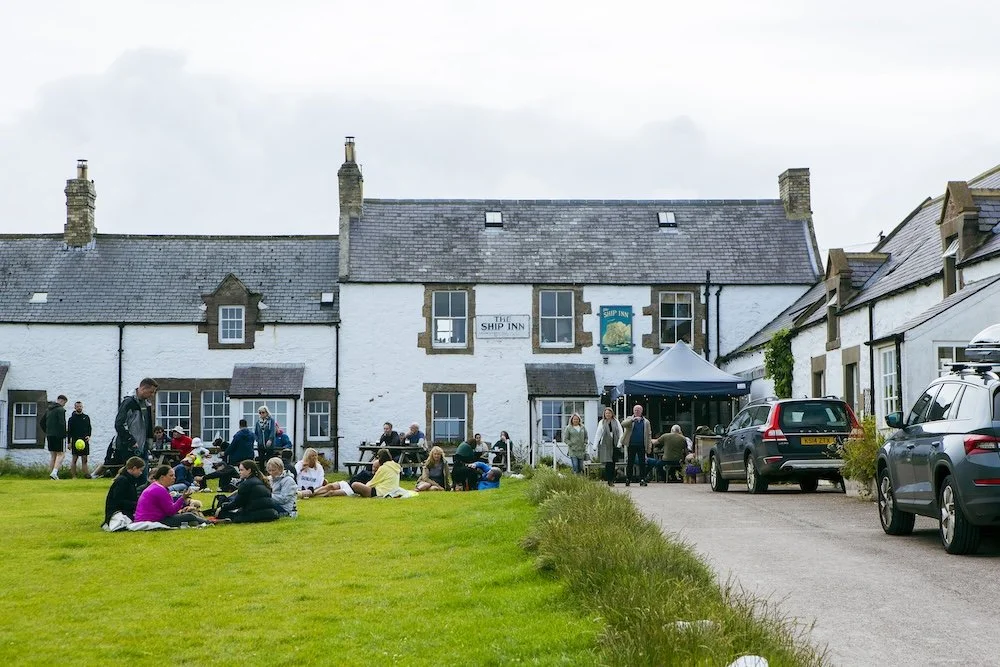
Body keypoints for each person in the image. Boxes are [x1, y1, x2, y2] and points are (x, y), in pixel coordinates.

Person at [134, 465, 208, 527]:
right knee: (189, 516)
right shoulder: (159, 490)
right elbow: (171, 511)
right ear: (162, 477)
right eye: (171, 475)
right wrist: (183, 498)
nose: (174, 478)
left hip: (145, 519)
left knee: (187, 515)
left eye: (174, 475)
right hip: (153, 520)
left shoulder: (155, 487)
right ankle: (209, 522)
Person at [214, 461, 279, 523]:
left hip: (255, 514)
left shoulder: (247, 483)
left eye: (241, 470)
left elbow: (237, 503)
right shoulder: (261, 481)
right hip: (270, 513)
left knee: (222, 513)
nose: (239, 472)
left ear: (249, 470)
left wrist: (222, 507)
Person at [114, 378, 158, 463]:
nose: (152, 395)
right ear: (143, 389)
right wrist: (130, 440)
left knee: (144, 474)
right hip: (129, 447)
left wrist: (150, 442)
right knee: (131, 474)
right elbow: (119, 424)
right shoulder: (129, 402)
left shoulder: (147, 404)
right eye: (151, 392)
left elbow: (148, 425)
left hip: (143, 447)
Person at [103, 456, 146, 525]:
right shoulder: (122, 481)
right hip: (117, 512)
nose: (141, 473)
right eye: (140, 470)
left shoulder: (130, 480)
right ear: (134, 468)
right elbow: (118, 501)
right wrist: (136, 504)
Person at [620, 404, 652, 487]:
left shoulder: (646, 422)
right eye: (635, 410)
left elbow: (649, 434)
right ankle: (628, 479)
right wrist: (632, 420)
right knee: (630, 462)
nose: (637, 411)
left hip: (642, 444)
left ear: (641, 411)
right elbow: (623, 424)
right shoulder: (629, 419)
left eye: (638, 410)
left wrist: (649, 446)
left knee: (642, 463)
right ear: (633, 411)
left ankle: (642, 479)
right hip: (631, 444)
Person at [40, 394, 68, 480]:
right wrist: (64, 434)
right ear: (62, 401)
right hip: (58, 435)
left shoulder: (48, 409)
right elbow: (62, 423)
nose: (64, 405)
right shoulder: (61, 410)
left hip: (49, 435)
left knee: (53, 456)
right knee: (61, 454)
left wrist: (47, 431)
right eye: (64, 403)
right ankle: (54, 472)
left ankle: (51, 476)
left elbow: (42, 422)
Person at [594, 408, 623, 487]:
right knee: (608, 463)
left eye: (609, 413)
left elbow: (621, 432)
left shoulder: (616, 422)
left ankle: (612, 479)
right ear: (604, 414)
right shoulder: (602, 422)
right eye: (606, 413)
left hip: (614, 443)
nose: (608, 415)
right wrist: (595, 445)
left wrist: (620, 443)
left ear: (612, 414)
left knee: (613, 463)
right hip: (605, 444)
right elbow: (598, 434)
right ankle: (609, 480)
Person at [67, 400, 93, 479]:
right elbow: (69, 431)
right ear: (75, 407)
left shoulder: (86, 417)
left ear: (82, 407)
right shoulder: (71, 419)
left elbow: (89, 428)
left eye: (80, 406)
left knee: (84, 459)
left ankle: (86, 475)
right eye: (77, 406)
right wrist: (69, 442)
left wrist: (89, 436)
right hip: (75, 440)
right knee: (74, 459)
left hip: (84, 441)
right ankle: (74, 476)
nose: (79, 408)